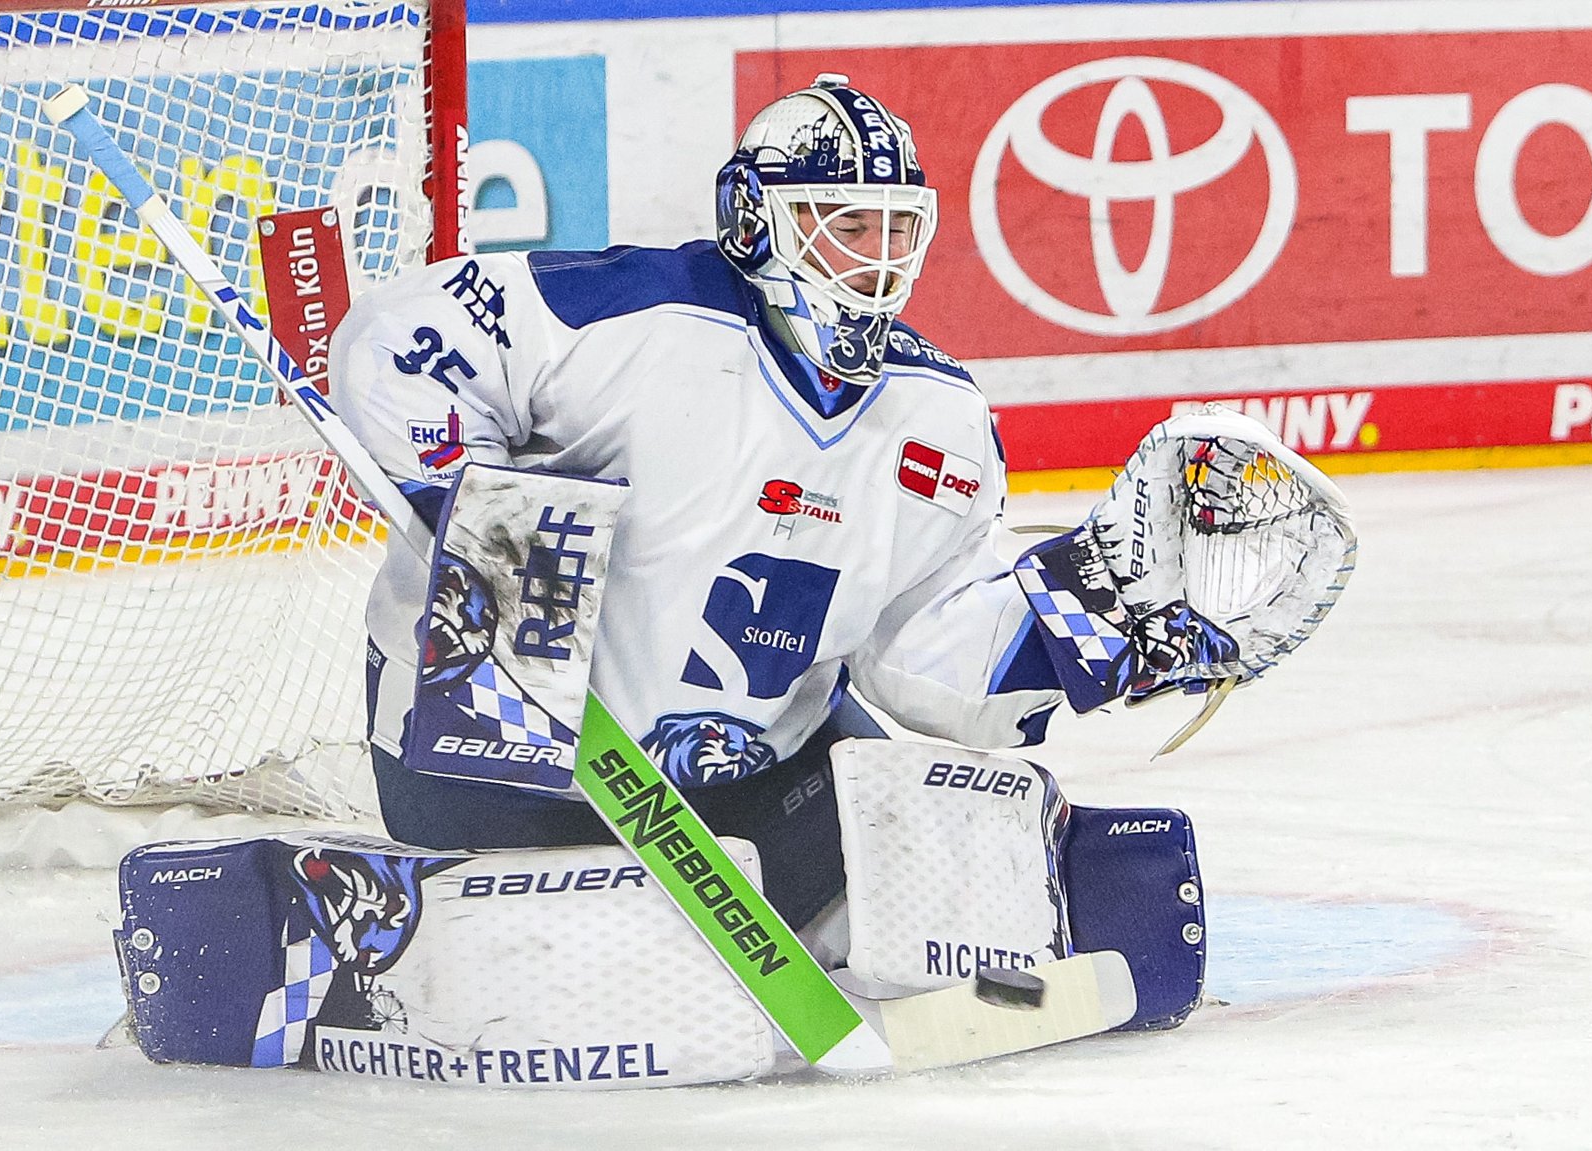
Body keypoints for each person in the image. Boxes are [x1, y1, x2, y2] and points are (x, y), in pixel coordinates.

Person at [328, 74, 1138, 933]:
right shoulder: (633, 317)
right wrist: (492, 539)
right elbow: (392, 338)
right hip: (494, 776)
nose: (880, 256)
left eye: (899, 227)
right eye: (848, 225)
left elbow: (935, 661)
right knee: (587, 949)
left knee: (993, 879)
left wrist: (1100, 626)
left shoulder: (942, 415)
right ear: (757, 223)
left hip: (749, 792)